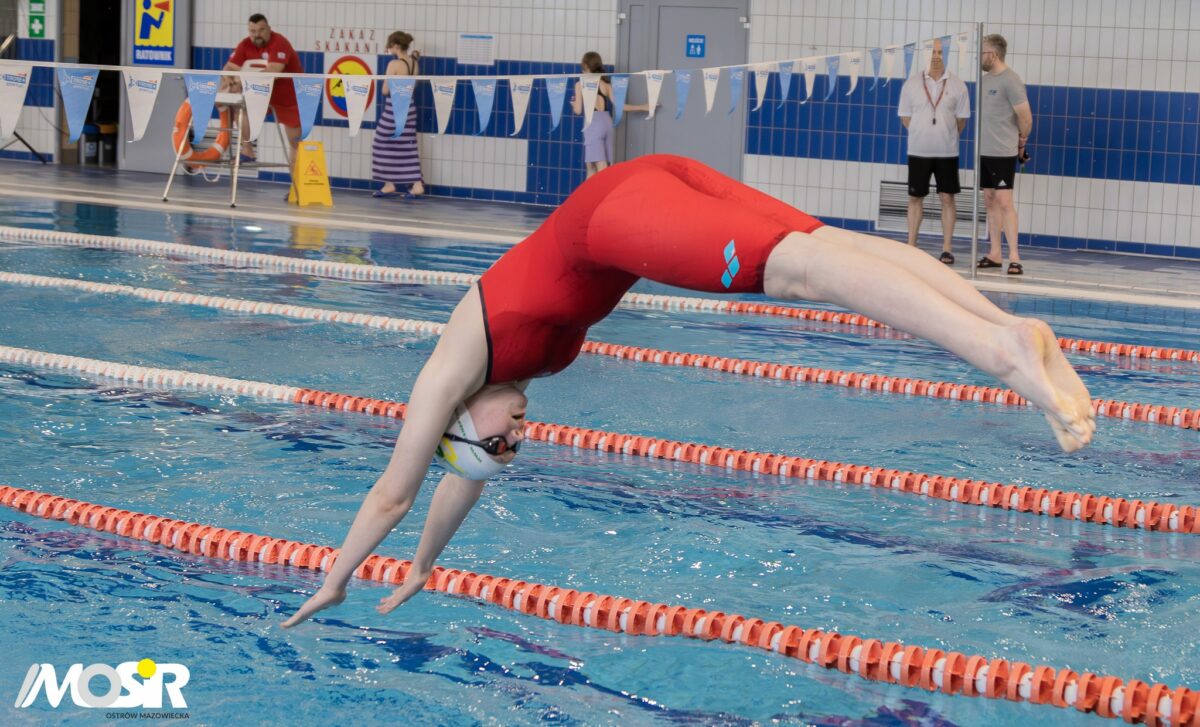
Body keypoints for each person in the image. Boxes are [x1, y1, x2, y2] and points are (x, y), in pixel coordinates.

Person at [281, 154, 1095, 628]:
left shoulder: (447, 373)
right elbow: (462, 480)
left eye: (500, 443)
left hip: (616, 216)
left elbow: (396, 490)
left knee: (801, 268)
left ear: (460, 423)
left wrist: (340, 575)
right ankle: (1008, 325)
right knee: (823, 241)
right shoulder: (498, 387)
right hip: (644, 187)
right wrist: (424, 566)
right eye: (510, 450)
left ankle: (999, 352)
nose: (518, 439)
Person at [898, 38, 970, 265]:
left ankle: (947, 248)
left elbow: (961, 121)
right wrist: (924, 134)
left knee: (947, 198)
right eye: (932, 52)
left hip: (947, 153)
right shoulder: (911, 84)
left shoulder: (958, 85)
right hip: (918, 151)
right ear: (925, 54)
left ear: (946, 54)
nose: (936, 56)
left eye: (940, 52)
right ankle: (911, 245)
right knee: (914, 197)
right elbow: (905, 118)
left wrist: (943, 136)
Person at [977, 34, 1032, 275]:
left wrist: (1021, 142)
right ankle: (995, 253)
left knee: (1005, 202)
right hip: (985, 151)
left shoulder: (1011, 80)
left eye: (982, 52)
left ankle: (1014, 257)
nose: (980, 57)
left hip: (1003, 151)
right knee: (990, 200)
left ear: (994, 55)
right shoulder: (985, 80)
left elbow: (1026, 117)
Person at [221, 14, 303, 163]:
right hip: (263, 94)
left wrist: (244, 81)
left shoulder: (279, 43)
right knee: (240, 107)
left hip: (289, 97)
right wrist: (229, 79)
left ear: (269, 29)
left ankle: (297, 185)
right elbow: (229, 67)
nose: (257, 35)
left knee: (296, 145)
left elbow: (273, 71)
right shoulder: (246, 44)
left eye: (261, 30)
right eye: (252, 31)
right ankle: (247, 150)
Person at [570, 52, 649, 178]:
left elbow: (578, 110)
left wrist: (573, 104)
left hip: (593, 124)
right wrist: (643, 106)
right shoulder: (605, 84)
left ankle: (601, 197)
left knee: (596, 170)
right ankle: (598, 196)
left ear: (585, 65)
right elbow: (620, 106)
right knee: (596, 166)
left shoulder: (580, 84)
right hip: (607, 123)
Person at [372, 31, 425, 198]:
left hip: (394, 109)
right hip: (409, 109)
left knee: (380, 142)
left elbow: (385, 90)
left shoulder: (394, 64)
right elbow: (413, 86)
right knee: (407, 147)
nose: (388, 49)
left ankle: (389, 183)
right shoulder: (413, 63)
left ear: (395, 46)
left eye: (389, 45)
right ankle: (416, 185)